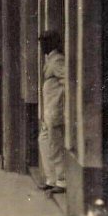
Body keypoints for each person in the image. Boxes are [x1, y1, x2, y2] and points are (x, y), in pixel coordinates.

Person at [37, 31, 67, 195]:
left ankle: (61, 181)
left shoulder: (57, 60)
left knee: (55, 145)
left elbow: (66, 83)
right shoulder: (51, 60)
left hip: (55, 110)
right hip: (49, 110)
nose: (42, 46)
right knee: (44, 141)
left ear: (51, 44)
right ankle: (51, 179)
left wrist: (60, 104)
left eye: (44, 43)